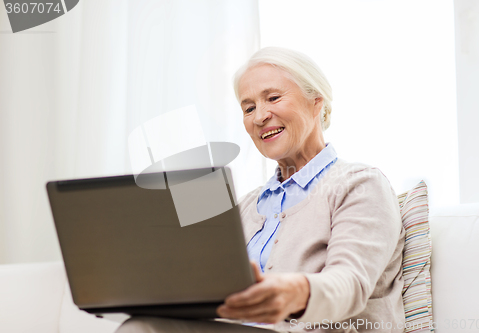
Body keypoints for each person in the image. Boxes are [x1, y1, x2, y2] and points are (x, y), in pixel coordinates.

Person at [116, 47, 405, 333]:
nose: (259, 117)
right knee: (141, 323)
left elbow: (349, 284)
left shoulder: (361, 185)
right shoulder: (244, 208)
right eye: (249, 108)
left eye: (273, 98)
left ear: (316, 103)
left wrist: (295, 291)